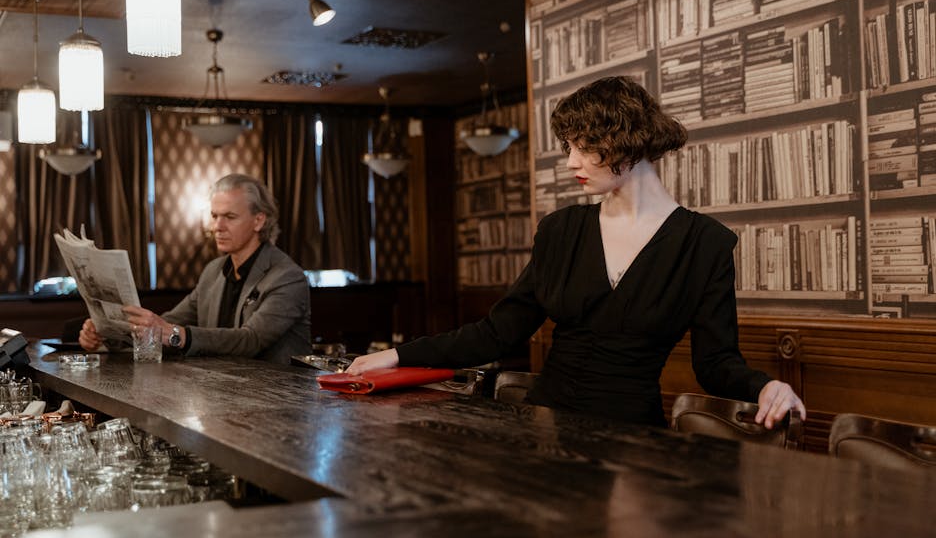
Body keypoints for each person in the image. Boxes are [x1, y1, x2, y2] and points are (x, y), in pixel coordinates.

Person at [348, 76, 806, 428]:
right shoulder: (561, 230)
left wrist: (767, 386)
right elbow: (497, 333)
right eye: (569, 147)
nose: (571, 162)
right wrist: (398, 356)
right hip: (545, 426)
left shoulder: (705, 243)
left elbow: (716, 363)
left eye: (584, 147)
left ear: (627, 140)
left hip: (635, 439)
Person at [79, 173, 311, 364]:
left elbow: (251, 340)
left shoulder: (287, 276)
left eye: (230, 217)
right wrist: (108, 334)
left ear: (258, 221)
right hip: (221, 390)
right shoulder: (213, 271)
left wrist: (178, 335)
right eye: (214, 216)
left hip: (277, 397)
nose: (217, 226)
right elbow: (167, 323)